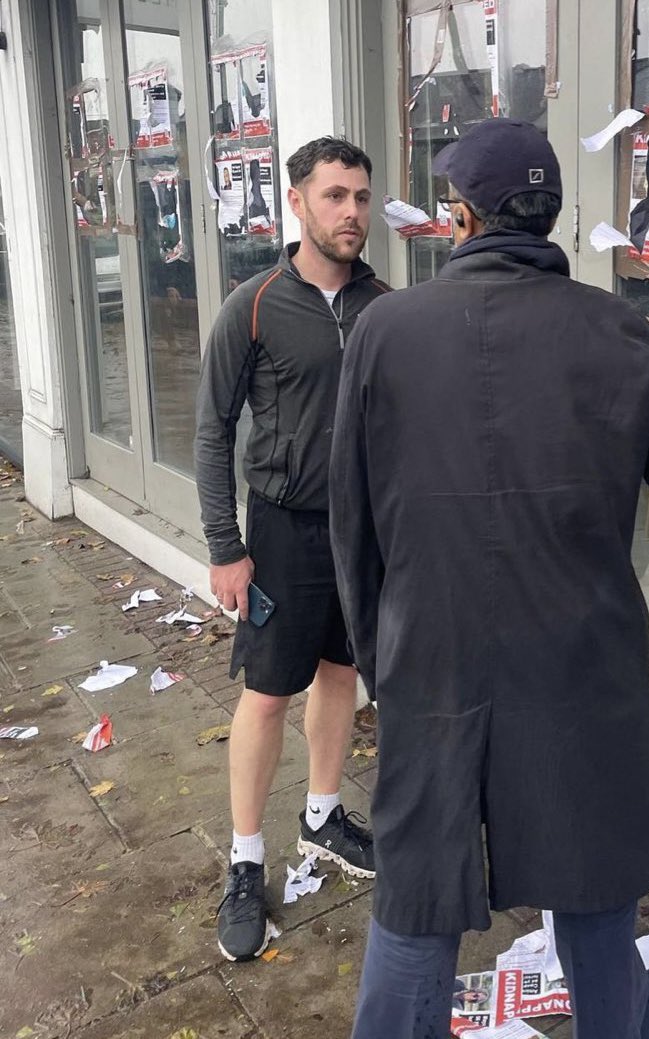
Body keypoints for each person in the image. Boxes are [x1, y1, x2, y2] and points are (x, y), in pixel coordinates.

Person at [330, 119, 649, 1039]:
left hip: (430, 651)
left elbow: (350, 520)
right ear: (546, 220)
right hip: (577, 651)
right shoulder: (618, 329)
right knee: (592, 872)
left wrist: (376, 653)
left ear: (464, 217)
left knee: (421, 882)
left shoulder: (384, 331)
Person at [194, 136, 389, 963]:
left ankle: (321, 817)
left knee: (342, 673)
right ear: (298, 202)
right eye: (335, 195)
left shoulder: (385, 303)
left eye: (361, 197)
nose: (351, 212)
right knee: (269, 692)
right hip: (279, 529)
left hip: (364, 529)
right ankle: (244, 860)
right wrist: (224, 546)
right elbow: (211, 429)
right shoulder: (257, 302)